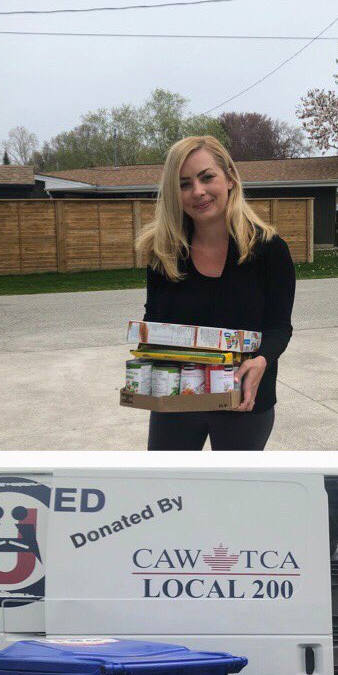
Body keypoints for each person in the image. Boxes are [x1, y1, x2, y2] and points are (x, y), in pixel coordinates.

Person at [137, 136, 295, 451]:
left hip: (243, 401)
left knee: (234, 497)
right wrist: (144, 364)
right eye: (184, 184)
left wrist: (262, 358)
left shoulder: (269, 249)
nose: (198, 191)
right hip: (176, 402)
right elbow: (153, 323)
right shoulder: (164, 252)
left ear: (230, 178)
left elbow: (279, 327)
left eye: (207, 177)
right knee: (171, 492)